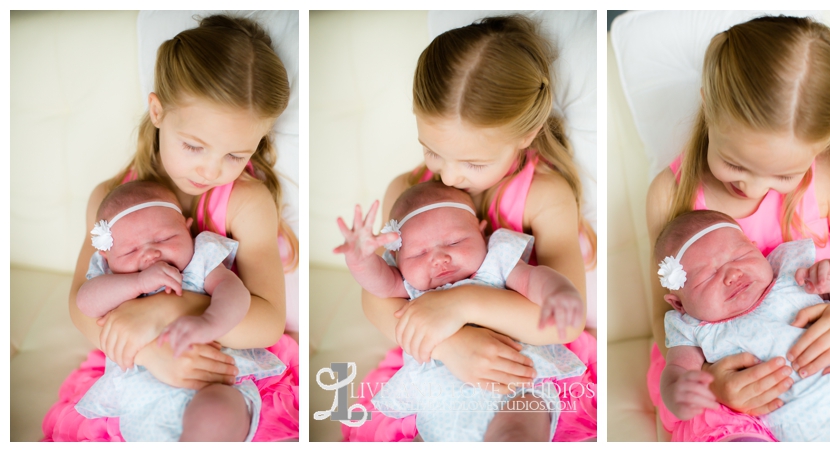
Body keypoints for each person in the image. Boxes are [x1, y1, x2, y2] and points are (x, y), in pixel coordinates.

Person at [43, 15, 299, 442]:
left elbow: (268, 321)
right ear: (158, 110)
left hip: (225, 363)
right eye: (195, 146)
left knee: (215, 420)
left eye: (235, 155)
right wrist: (148, 354)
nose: (212, 170)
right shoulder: (110, 200)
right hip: (136, 360)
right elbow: (79, 304)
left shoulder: (245, 202)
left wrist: (164, 310)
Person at [343, 15, 597, 442]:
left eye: (474, 163)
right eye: (432, 150)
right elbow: (379, 300)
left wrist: (462, 305)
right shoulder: (406, 192)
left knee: (518, 429)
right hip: (433, 359)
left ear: (527, 133)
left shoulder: (543, 195)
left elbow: (564, 323)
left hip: (524, 359)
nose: (450, 176)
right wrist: (448, 346)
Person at [645, 16, 830, 441]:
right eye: (736, 164)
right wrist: (712, 382)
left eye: (784, 176)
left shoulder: (828, 174)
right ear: (708, 105)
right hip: (732, 371)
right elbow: (664, 315)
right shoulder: (671, 194)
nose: (753, 187)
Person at [335, 181, 586, 441]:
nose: (439, 258)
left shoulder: (495, 261)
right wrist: (360, 259)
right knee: (427, 436)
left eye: (455, 242)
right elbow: (378, 284)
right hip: (438, 394)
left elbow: (533, 279)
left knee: (516, 432)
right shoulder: (409, 284)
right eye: (419, 253)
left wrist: (558, 291)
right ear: (396, 261)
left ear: (481, 233)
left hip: (515, 383)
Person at [73, 181, 286, 441]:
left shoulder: (200, 259)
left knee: (216, 414)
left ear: (187, 230)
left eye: (165, 238)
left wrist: (209, 321)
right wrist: (137, 283)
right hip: (144, 398)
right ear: (106, 257)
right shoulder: (109, 277)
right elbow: (84, 302)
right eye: (130, 250)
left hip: (214, 382)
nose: (151, 253)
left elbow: (235, 293)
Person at [655, 210, 830, 441]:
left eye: (739, 257)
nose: (732, 274)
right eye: (707, 276)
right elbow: (677, 370)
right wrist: (678, 395)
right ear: (679, 304)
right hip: (808, 421)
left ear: (756, 249)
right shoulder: (694, 327)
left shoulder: (791, 273)